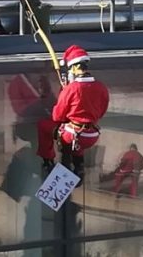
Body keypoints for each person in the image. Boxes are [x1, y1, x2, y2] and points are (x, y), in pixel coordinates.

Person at [37, 45, 110, 180]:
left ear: (75, 67)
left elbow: (57, 116)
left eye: (70, 68)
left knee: (43, 126)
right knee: (79, 137)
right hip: (92, 135)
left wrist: (64, 92)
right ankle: (79, 164)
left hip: (72, 135)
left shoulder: (72, 88)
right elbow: (102, 110)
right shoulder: (101, 87)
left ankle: (48, 161)